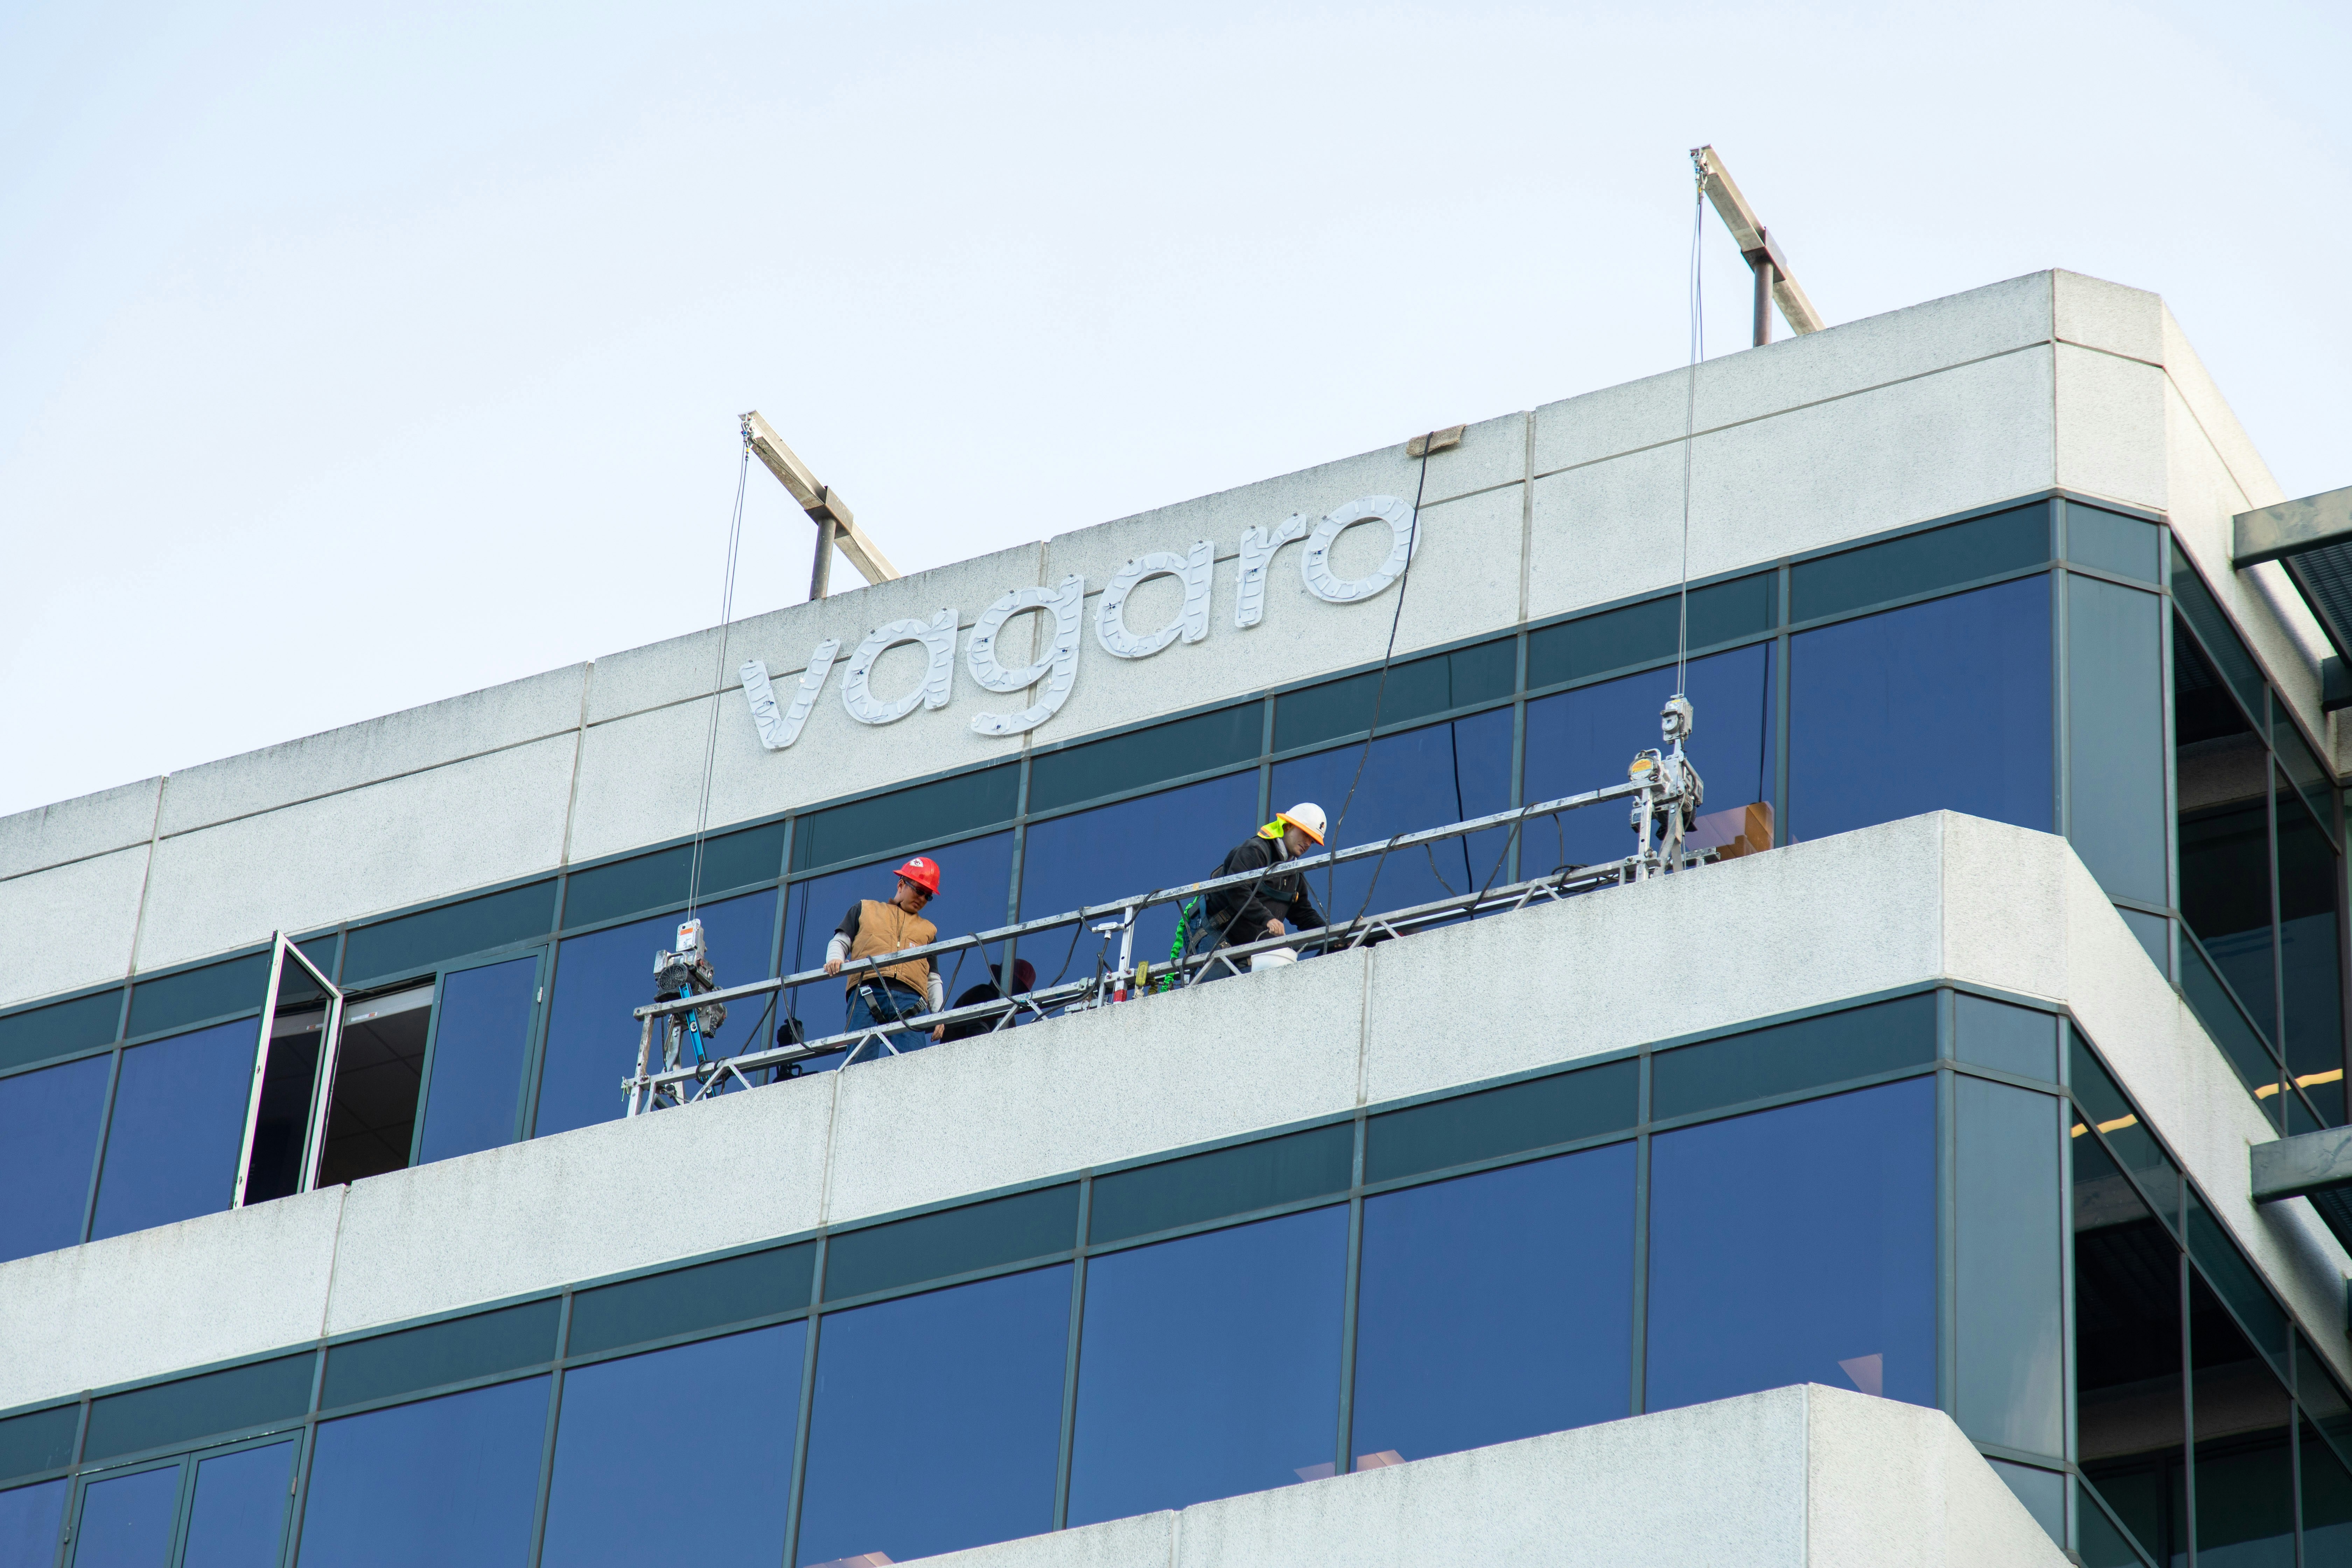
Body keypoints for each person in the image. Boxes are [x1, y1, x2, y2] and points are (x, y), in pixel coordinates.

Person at [825, 857, 946, 1062]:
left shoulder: (928, 931)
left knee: (911, 1068)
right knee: (859, 1066)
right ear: (901, 885)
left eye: (928, 896)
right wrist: (835, 959)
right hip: (866, 992)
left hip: (911, 1001)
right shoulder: (865, 909)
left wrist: (939, 1015)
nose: (922, 899)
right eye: (919, 891)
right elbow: (840, 941)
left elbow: (933, 978)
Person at [1196, 803, 1327, 981]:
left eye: (1312, 841)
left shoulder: (1294, 874)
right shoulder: (1256, 850)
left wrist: (1332, 933)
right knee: (1213, 988)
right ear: (1288, 826)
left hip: (1246, 945)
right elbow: (1237, 889)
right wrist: (1267, 919)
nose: (1308, 844)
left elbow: (1303, 913)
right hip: (1215, 932)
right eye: (1306, 834)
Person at [939, 959, 1037, 1042]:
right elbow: (978, 1037)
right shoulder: (985, 994)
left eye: (1019, 989)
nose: (1015, 991)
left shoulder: (1006, 1013)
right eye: (1015, 984)